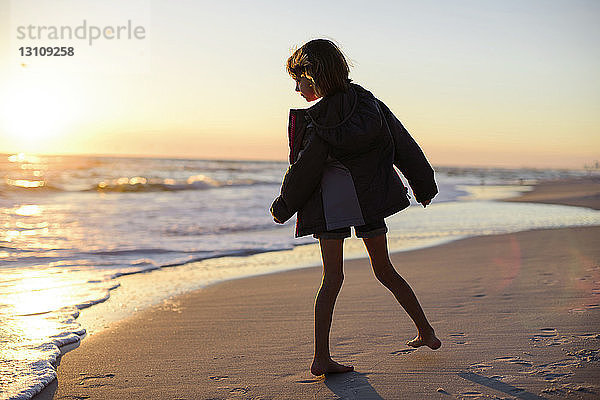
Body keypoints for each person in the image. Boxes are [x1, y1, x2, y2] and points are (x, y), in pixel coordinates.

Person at [270, 39, 441, 377]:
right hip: (369, 200)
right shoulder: (370, 105)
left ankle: (321, 357)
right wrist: (423, 185)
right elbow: (404, 144)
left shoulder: (319, 120)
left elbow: (305, 170)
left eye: (299, 79)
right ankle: (426, 332)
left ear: (314, 76)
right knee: (385, 269)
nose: (296, 88)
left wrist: (284, 205)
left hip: (331, 207)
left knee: (332, 277)